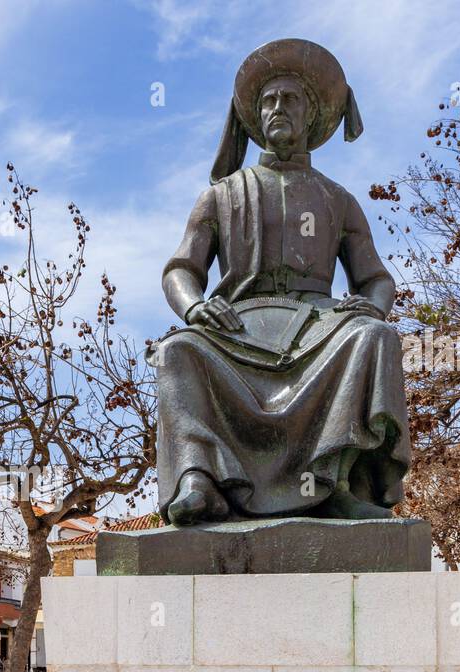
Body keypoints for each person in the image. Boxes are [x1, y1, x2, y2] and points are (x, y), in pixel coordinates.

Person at [152, 38, 409, 526]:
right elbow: (181, 269)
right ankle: (198, 481)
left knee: (375, 337)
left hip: (320, 328)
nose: (277, 109)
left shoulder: (338, 200)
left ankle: (336, 483)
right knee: (177, 351)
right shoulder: (222, 196)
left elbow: (375, 278)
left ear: (311, 115)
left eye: (289, 99)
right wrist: (193, 307)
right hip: (236, 327)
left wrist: (373, 308)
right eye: (268, 101)